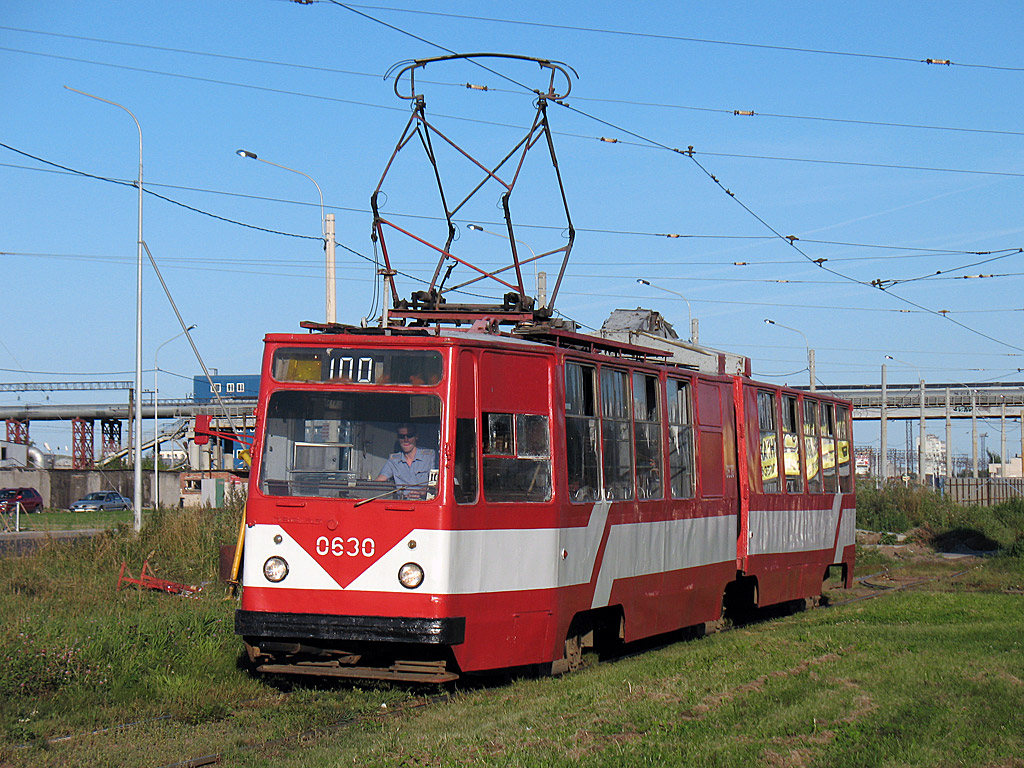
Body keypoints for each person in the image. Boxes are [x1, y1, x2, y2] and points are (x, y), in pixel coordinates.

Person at [375, 424, 437, 499]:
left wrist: (421, 492)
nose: (406, 440)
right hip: (402, 504)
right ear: (398, 438)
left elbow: (438, 483)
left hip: (426, 504)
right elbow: (378, 482)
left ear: (416, 436)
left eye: (410, 435)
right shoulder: (393, 460)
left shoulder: (429, 456)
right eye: (402, 436)